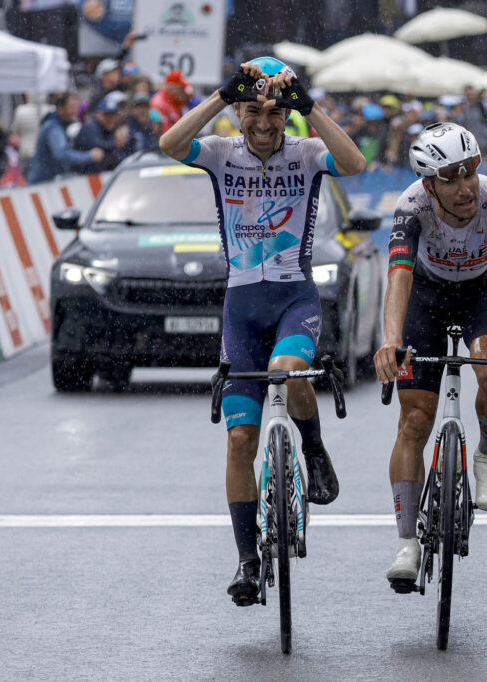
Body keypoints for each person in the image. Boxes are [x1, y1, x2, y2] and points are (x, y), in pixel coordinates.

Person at [158, 56, 366, 607]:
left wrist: (311, 108)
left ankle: (314, 451)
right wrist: (220, 98)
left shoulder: (307, 151)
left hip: (294, 298)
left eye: (274, 114)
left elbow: (356, 162)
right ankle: (248, 561)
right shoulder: (223, 152)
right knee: (241, 439)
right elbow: (170, 146)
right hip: (241, 309)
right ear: (241, 112)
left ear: (286, 116)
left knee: (287, 369)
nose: (264, 124)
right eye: (253, 111)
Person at [374, 122, 487, 591]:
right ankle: (406, 544)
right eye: (451, 178)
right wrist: (390, 340)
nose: (465, 187)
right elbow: (399, 277)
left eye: (470, 172)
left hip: (482, 291)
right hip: (426, 295)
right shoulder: (411, 206)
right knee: (414, 421)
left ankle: (485, 455)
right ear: (429, 184)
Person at [26, 91, 104, 184]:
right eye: (72, 106)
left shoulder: (59, 125)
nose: (76, 110)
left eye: (77, 106)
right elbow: (61, 153)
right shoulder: (54, 127)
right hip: (43, 183)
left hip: (47, 182)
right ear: (60, 109)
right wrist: (90, 156)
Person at [72, 91, 132, 173]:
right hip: (78, 176)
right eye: (106, 115)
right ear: (99, 114)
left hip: (97, 176)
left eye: (113, 114)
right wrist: (116, 143)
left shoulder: (111, 127)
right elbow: (98, 145)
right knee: (99, 154)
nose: (110, 118)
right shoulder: (90, 126)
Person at [151, 69, 192, 133]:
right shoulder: (160, 103)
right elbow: (165, 134)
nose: (184, 90)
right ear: (172, 87)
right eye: (181, 87)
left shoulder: (176, 100)